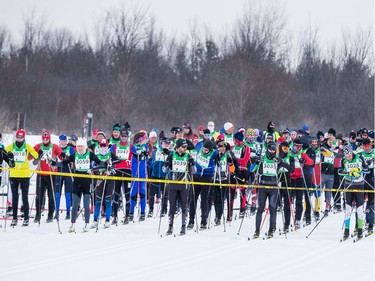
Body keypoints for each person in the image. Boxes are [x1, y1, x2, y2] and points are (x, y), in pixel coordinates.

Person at [50, 138, 103, 232]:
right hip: (77, 181)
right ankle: (72, 224)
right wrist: (52, 162)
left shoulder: (90, 154)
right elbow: (63, 164)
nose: (80, 148)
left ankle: (87, 224)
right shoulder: (74, 155)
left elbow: (100, 163)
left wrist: (94, 169)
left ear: (85, 147)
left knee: (86, 204)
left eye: (81, 146)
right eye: (78, 146)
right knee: (74, 205)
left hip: (87, 181)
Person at [251, 142, 293, 238]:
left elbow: (291, 169)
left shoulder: (277, 159)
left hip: (273, 188)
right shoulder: (262, 159)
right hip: (262, 187)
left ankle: (271, 230)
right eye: (270, 150)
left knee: (273, 209)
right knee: (260, 209)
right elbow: (251, 169)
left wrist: (281, 161)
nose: (272, 152)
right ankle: (257, 231)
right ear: (267, 149)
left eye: (274, 150)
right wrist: (257, 162)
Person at [5, 129, 39, 226]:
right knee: (15, 198)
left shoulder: (27, 146)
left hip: (24, 175)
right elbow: (3, 153)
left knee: (24, 197)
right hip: (14, 175)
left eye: (21, 137)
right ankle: (14, 218)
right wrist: (8, 158)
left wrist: (38, 156)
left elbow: (36, 155)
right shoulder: (11, 146)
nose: (19, 139)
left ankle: (26, 218)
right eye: (18, 137)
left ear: (24, 138)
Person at [163, 138, 196, 235]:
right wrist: (166, 164)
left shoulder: (188, 156)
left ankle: (183, 226)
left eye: (186, 147)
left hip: (184, 185)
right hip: (173, 184)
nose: (185, 148)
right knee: (172, 206)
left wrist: (192, 164)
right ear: (177, 147)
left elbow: (194, 171)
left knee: (184, 207)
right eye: (183, 147)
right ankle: (170, 226)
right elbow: (164, 170)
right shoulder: (171, 155)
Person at [339, 145, 368, 240]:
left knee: (359, 210)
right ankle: (346, 231)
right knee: (348, 210)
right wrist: (348, 172)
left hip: (359, 185)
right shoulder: (343, 160)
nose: (349, 157)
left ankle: (360, 230)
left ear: (352, 153)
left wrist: (358, 170)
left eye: (350, 155)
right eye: (347, 156)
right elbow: (339, 171)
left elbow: (367, 169)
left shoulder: (359, 158)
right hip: (348, 185)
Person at [33, 130, 63, 223]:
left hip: (51, 174)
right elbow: (31, 159)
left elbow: (62, 157)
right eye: (44, 139)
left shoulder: (55, 147)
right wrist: (37, 156)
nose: (45, 141)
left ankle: (50, 214)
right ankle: (37, 215)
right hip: (41, 174)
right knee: (39, 196)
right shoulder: (38, 146)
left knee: (51, 195)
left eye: (47, 139)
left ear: (49, 138)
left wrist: (63, 156)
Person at [188, 139, 218, 230]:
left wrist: (218, 160)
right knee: (193, 198)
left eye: (206, 150)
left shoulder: (214, 153)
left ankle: (204, 220)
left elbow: (218, 159)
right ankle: (191, 220)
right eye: (203, 149)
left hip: (207, 176)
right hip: (196, 175)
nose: (204, 151)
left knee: (204, 199)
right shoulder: (199, 148)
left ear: (210, 149)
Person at [91, 139, 119, 229]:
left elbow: (118, 161)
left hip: (110, 180)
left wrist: (111, 165)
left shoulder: (110, 154)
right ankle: (95, 220)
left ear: (108, 146)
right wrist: (99, 168)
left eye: (105, 146)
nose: (103, 147)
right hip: (100, 179)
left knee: (107, 201)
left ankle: (107, 220)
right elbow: (93, 167)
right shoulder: (97, 156)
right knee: (98, 201)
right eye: (101, 146)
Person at [290, 138, 314, 228]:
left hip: (300, 178)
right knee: (289, 200)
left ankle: (298, 219)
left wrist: (304, 161)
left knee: (299, 201)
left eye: (300, 147)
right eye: (296, 146)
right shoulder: (289, 153)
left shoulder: (302, 154)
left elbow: (312, 162)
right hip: (290, 178)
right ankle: (288, 221)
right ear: (293, 145)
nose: (298, 148)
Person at [214, 140, 238, 225]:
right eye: (220, 147)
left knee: (221, 199)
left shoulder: (228, 155)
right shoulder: (216, 155)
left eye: (223, 147)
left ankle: (219, 217)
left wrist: (230, 163)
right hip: (216, 179)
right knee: (215, 199)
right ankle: (216, 215)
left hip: (224, 179)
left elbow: (233, 169)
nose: (222, 148)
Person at [112, 128, 133, 225]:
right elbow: (108, 153)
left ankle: (127, 216)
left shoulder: (131, 146)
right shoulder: (115, 146)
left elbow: (138, 154)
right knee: (116, 194)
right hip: (117, 171)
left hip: (127, 171)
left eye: (125, 136)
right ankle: (115, 216)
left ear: (127, 137)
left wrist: (142, 154)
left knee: (127, 194)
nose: (124, 138)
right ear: (120, 136)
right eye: (122, 136)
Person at [229, 132, 251, 219]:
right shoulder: (232, 147)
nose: (235, 142)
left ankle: (242, 210)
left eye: (237, 141)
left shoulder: (246, 148)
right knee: (232, 191)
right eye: (234, 140)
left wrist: (234, 160)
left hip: (242, 171)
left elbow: (245, 160)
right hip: (233, 170)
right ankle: (230, 212)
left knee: (242, 191)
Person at [54, 134, 75, 220]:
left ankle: (68, 212)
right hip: (59, 172)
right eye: (61, 141)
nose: (63, 143)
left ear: (66, 141)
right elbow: (54, 159)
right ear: (59, 141)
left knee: (67, 193)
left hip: (67, 171)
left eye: (64, 141)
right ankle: (57, 212)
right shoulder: (56, 148)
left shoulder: (70, 149)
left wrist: (68, 158)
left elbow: (74, 158)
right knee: (57, 193)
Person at [129, 131, 149, 222]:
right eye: (145, 138)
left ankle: (143, 212)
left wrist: (146, 154)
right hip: (135, 172)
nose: (146, 140)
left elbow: (147, 158)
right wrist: (138, 155)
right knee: (133, 192)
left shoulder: (145, 146)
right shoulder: (133, 146)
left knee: (142, 192)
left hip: (143, 173)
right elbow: (133, 155)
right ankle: (131, 212)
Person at [148, 137, 170, 218]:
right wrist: (152, 165)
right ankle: (150, 209)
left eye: (167, 144)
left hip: (165, 176)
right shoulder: (155, 151)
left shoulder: (170, 153)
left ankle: (164, 209)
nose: (166, 145)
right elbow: (150, 161)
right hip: (155, 175)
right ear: (161, 143)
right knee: (152, 193)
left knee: (164, 193)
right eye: (165, 143)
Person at [277, 141, 295, 233]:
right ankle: (273, 225)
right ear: (280, 148)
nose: (286, 151)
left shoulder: (291, 157)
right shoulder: (277, 157)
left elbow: (292, 169)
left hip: (287, 182)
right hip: (278, 181)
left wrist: (283, 163)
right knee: (275, 204)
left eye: (287, 149)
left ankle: (286, 224)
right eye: (284, 148)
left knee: (287, 205)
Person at [359, 138, 374, 234]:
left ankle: (370, 223)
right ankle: (359, 224)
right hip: (362, 179)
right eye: (365, 146)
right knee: (361, 202)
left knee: (371, 203)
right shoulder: (360, 154)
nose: (367, 148)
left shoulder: (374, 153)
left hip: (372, 179)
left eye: (368, 145)